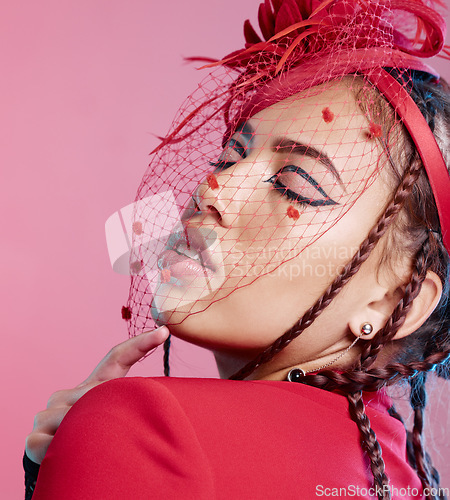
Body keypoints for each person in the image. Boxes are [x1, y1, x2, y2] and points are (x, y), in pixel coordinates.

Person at [25, 0, 450, 498]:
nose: (213, 189)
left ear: (393, 299)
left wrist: (86, 452)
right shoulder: (396, 470)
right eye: (232, 155)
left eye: (293, 185)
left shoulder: (144, 427)